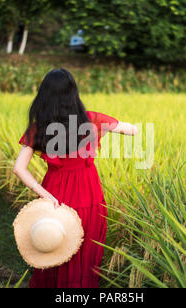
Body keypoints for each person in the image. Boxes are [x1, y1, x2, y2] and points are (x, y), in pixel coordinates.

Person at [13, 68, 137, 288]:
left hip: (55, 195)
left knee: (54, 245)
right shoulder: (92, 120)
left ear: (44, 96)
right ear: (73, 94)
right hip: (89, 194)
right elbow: (132, 131)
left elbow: (19, 169)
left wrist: (47, 196)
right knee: (85, 251)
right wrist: (103, 130)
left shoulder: (38, 128)